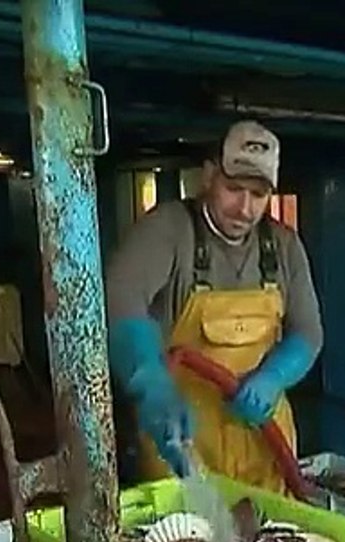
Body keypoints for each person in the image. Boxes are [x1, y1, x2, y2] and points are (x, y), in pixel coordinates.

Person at [105, 120, 322, 493]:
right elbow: (120, 299)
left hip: (264, 447)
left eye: (258, 194)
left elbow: (308, 331)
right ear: (207, 176)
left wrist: (275, 377)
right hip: (183, 443)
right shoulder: (168, 230)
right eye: (233, 188)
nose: (245, 208)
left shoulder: (284, 246)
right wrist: (150, 382)